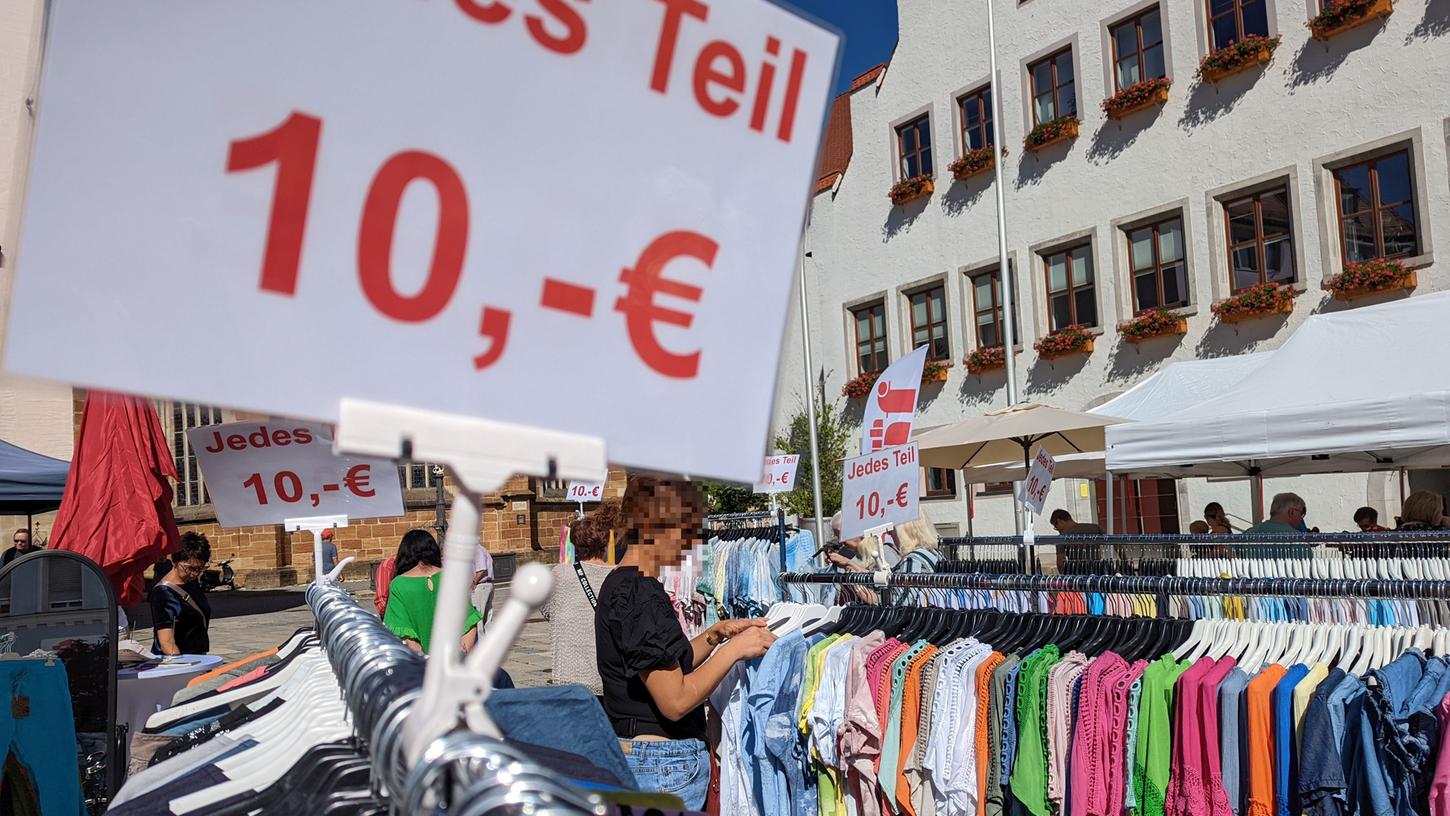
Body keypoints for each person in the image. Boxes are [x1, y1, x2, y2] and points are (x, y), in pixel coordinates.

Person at [594, 476, 775, 809]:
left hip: (650, 759)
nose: (691, 544)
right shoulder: (639, 595)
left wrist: (714, 636)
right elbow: (674, 700)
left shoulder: (624, 584)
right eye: (686, 530)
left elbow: (662, 665)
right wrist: (734, 651)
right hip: (663, 763)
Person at [542, 501, 618, 696]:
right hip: (609, 673)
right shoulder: (618, 574)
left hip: (569, 672)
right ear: (604, 543)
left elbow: (547, 610)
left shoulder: (559, 574)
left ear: (575, 545)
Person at [382, 529, 480, 654]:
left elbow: (403, 633)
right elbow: (469, 621)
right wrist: (463, 655)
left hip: (421, 667)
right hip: (456, 663)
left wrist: (425, 662)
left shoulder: (398, 585)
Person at [148, 532, 212, 656]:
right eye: (191, 568)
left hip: (197, 656)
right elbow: (167, 642)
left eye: (200, 568)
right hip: (177, 660)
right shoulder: (163, 593)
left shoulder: (191, 582)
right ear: (175, 562)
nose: (195, 573)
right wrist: (184, 668)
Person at [1049, 509, 1104, 573]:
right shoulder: (1095, 528)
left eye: (1056, 527)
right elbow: (1113, 541)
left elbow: (1060, 562)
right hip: (1097, 570)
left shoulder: (1062, 537)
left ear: (1060, 521)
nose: (1057, 530)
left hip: (1077, 572)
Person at [473, 542, 495, 630]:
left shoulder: (476, 549)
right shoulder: (480, 548)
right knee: (487, 618)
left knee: (478, 618)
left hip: (480, 586)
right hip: (486, 585)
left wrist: (474, 582)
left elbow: (481, 569)